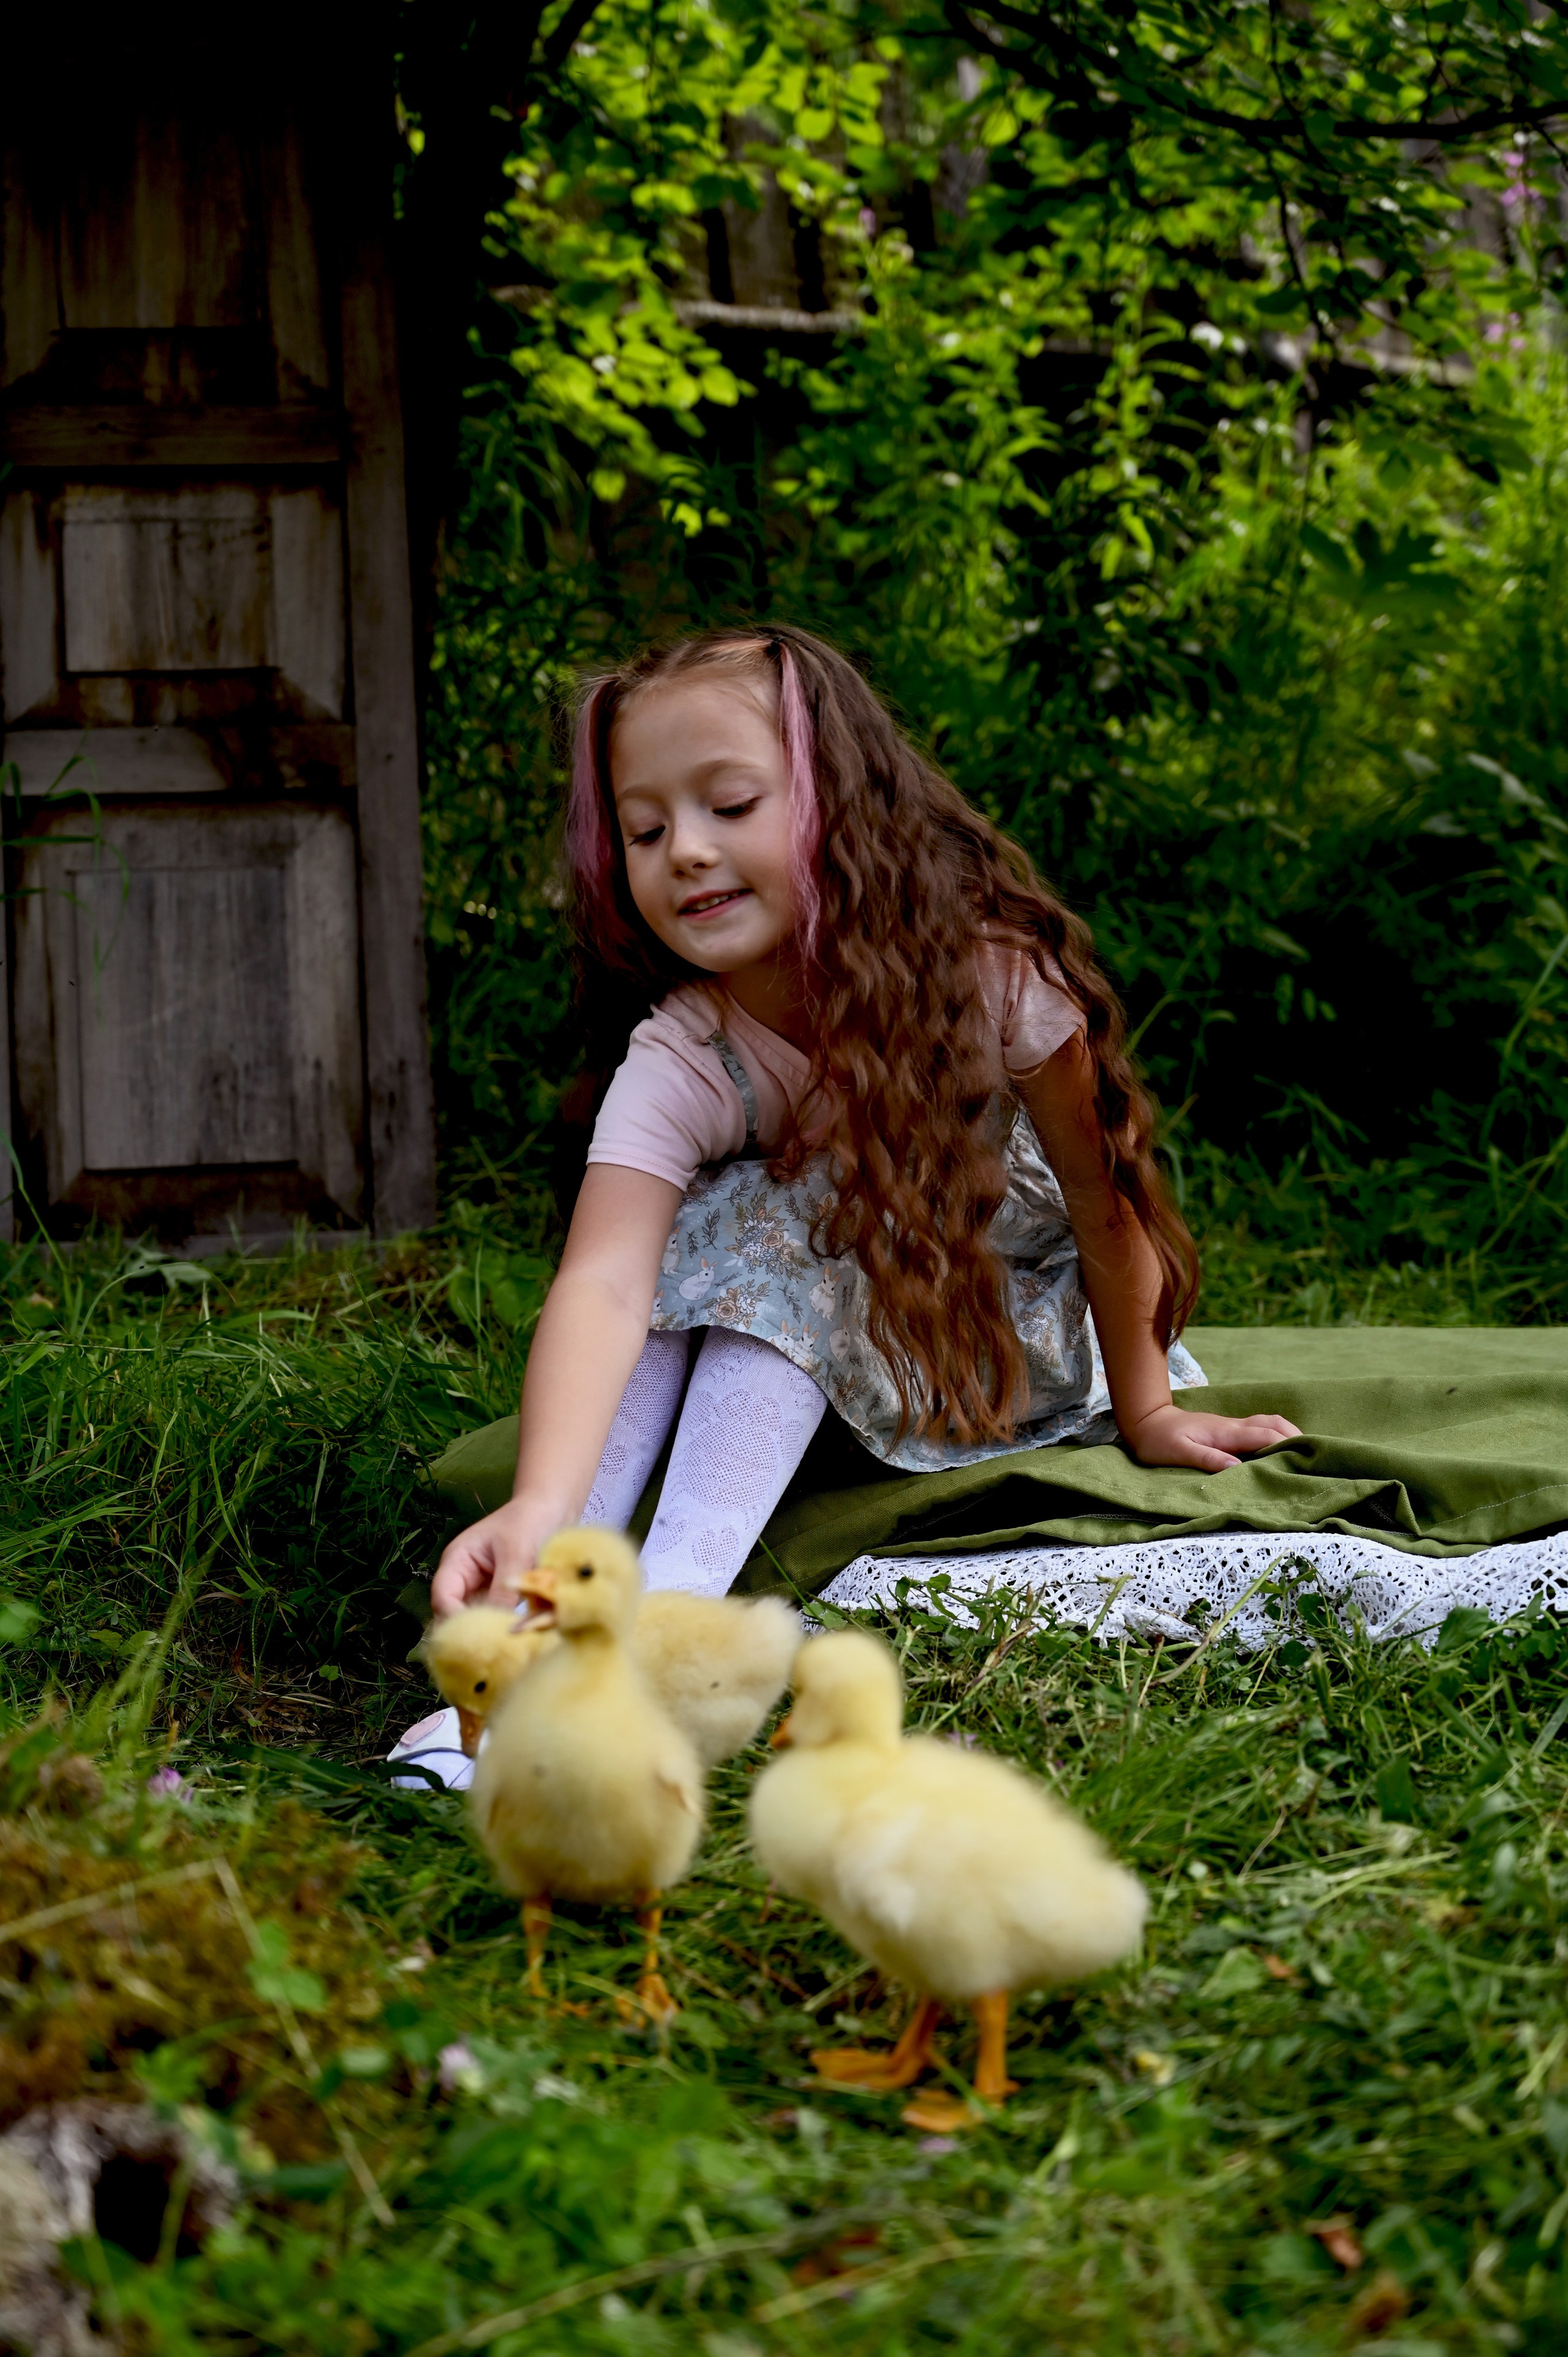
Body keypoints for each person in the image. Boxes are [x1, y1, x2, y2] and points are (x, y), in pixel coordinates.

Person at [431, 626, 1298, 1617]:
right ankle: (539, 1588)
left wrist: (1146, 1410)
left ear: (837, 802)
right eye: (646, 830)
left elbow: (1104, 1205)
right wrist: (534, 1496)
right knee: (714, 1218)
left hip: (983, 1345)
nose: (689, 850)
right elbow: (604, 1283)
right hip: (819, 1384)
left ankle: (666, 1614)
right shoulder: (684, 1053)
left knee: (787, 1210)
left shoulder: (993, 977)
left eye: (731, 805)